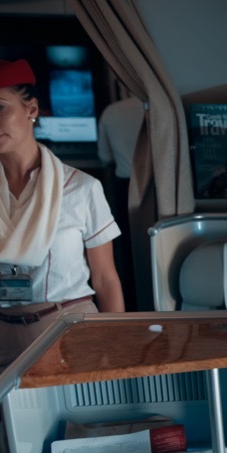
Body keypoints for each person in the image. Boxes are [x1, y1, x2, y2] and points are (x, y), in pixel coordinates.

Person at [0, 59, 125, 372]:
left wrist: (113, 346)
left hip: (70, 325)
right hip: (3, 331)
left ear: (31, 109)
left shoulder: (80, 188)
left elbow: (105, 278)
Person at [96, 96, 142, 308]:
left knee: (126, 250)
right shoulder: (160, 108)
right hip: (161, 185)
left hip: (125, 185)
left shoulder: (112, 112)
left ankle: (132, 303)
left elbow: (104, 156)